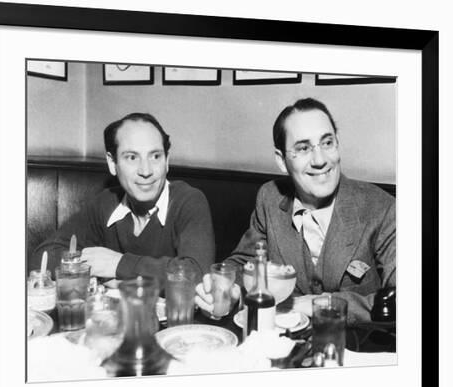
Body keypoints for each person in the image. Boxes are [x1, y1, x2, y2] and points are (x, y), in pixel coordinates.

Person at [196, 98, 396, 324]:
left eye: (327, 143)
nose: (320, 160)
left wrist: (318, 304)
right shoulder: (270, 198)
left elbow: (408, 298)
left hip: (358, 351)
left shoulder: (382, 208)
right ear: (282, 161)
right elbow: (247, 262)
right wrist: (230, 289)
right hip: (284, 346)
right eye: (303, 148)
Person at [30, 112, 215, 285]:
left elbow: (197, 274)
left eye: (156, 156)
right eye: (132, 157)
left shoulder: (189, 201)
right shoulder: (106, 202)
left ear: (167, 161)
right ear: (112, 163)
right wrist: (95, 270)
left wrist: (118, 265)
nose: (146, 171)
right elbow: (42, 259)